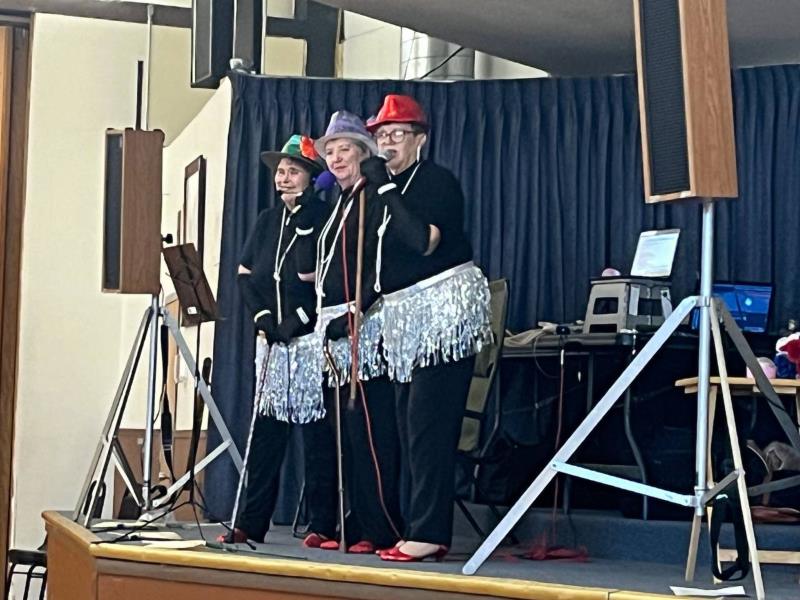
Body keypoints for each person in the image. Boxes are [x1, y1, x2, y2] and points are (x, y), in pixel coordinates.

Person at [361, 95, 492, 562]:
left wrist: (384, 189)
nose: (387, 143)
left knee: (428, 423)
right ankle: (416, 526)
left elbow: (423, 241)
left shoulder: (436, 181)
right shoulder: (384, 194)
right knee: (405, 423)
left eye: (397, 134)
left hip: (441, 313)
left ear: (421, 139)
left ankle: (430, 532)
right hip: (402, 319)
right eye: (381, 135)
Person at [220, 134, 336, 546]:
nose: (284, 178)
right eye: (280, 172)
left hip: (309, 341)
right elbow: (244, 274)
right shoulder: (267, 220)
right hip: (271, 342)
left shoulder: (322, 217)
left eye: (293, 171)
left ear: (311, 178)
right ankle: (251, 522)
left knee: (317, 437)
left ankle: (323, 524)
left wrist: (299, 319)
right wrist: (264, 317)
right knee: (266, 436)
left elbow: (324, 280)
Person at [305, 110, 403, 552]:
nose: (337, 157)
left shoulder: (372, 198)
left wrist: (357, 309)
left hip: (364, 324)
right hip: (332, 329)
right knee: (343, 433)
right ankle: (354, 521)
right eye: (331, 151)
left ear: (365, 153)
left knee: (369, 430)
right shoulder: (339, 204)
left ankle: (380, 527)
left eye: (345, 149)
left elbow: (380, 263)